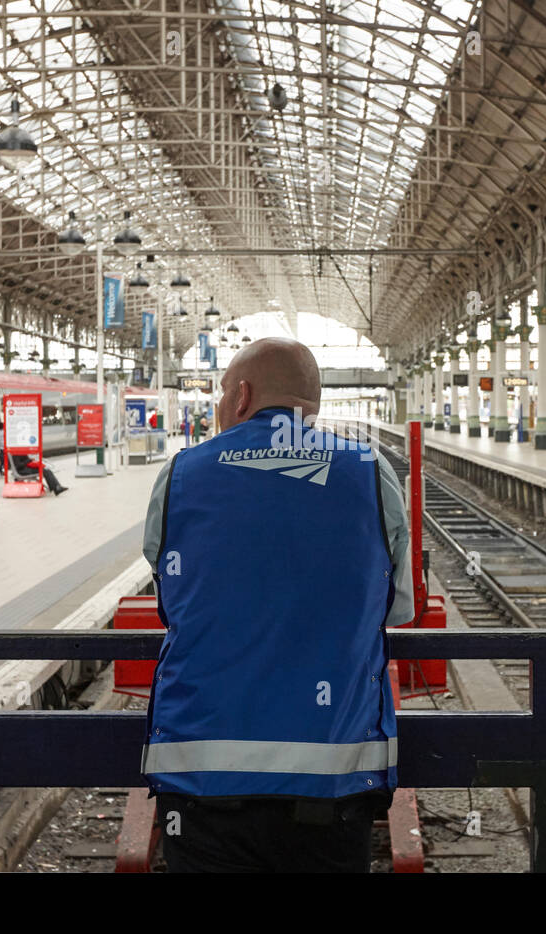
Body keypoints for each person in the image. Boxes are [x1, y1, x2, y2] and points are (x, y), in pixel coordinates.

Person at [141, 337, 415, 873]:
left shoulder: (180, 475)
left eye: (222, 392)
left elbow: (172, 602)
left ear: (241, 396)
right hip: (334, 780)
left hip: (200, 778)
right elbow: (395, 609)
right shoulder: (371, 472)